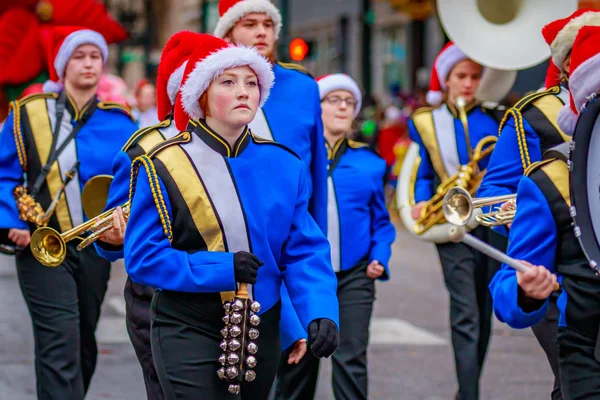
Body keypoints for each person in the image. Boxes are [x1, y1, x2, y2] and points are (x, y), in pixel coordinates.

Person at [123, 34, 340, 399]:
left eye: (252, 83)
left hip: (260, 324)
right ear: (200, 95)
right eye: (228, 81)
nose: (244, 91)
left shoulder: (285, 164)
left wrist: (319, 309)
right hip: (186, 322)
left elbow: (304, 250)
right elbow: (143, 258)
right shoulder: (162, 163)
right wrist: (222, 268)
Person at [0, 26, 137, 399]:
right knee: (59, 339)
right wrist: (13, 222)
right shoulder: (28, 114)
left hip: (94, 248)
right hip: (41, 246)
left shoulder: (121, 122)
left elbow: (132, 185)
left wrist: (120, 227)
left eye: (95, 56)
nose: (88, 63)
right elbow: (3, 171)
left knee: (83, 343)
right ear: (63, 66)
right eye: (79, 56)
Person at [478, 10, 600, 400]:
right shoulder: (531, 114)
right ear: (570, 61)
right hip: (560, 274)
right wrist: (552, 215)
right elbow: (494, 192)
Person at [212, 0, 327, 364]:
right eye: (249, 24)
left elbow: (316, 179)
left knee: (301, 372)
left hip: (295, 235)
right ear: (229, 32)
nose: (262, 32)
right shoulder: (214, 86)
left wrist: (318, 251)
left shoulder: (304, 87)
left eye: (268, 24)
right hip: (239, 243)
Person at [94, 30, 203, 400]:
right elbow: (112, 234)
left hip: (226, 294)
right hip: (155, 298)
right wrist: (112, 238)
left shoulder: (242, 146)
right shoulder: (143, 146)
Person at [274, 74, 396, 400]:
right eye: (333, 100)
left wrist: (379, 257)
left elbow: (382, 224)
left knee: (351, 359)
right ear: (317, 107)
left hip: (354, 276)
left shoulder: (370, 163)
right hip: (305, 276)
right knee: (298, 358)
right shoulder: (295, 157)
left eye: (349, 102)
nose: (342, 106)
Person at [408, 42, 504, 400]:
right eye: (461, 76)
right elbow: (420, 171)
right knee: (465, 311)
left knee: (483, 308)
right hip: (453, 224)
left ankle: (466, 391)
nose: (468, 83)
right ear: (446, 79)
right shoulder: (427, 121)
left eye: (475, 77)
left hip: (492, 224)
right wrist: (418, 201)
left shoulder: (496, 118)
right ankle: (469, 394)